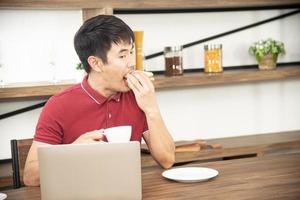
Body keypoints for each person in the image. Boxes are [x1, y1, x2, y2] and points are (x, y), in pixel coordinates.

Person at [23, 15, 175, 186]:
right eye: (123, 56)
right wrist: (73, 153)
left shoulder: (137, 97)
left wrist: (151, 108)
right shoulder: (59, 105)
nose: (132, 63)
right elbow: (30, 176)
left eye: (132, 52)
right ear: (96, 63)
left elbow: (167, 160)